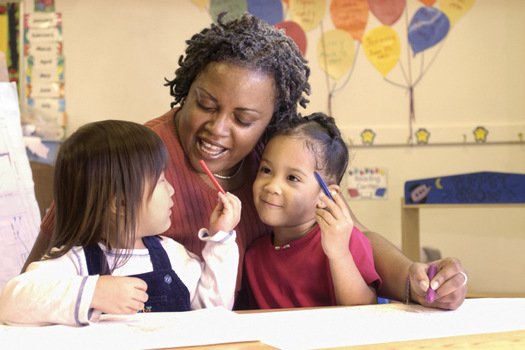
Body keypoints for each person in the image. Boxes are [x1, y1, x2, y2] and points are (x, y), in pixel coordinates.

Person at [23, 13, 467, 310]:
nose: (218, 128)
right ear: (187, 85)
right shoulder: (138, 159)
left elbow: (356, 237)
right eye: (206, 103)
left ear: (272, 120)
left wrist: (416, 280)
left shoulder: (276, 159)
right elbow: (41, 270)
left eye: (244, 118)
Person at [0, 120, 240, 326]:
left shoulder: (173, 255)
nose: (172, 189)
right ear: (120, 203)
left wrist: (220, 238)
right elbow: (11, 303)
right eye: (161, 180)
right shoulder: (75, 261)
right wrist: (93, 292)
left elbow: (214, 310)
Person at [244, 113, 381, 309]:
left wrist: (339, 254)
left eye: (292, 178)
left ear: (325, 194)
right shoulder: (253, 256)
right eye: (266, 170)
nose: (272, 186)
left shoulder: (346, 241)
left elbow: (365, 311)